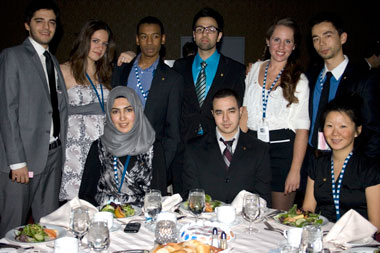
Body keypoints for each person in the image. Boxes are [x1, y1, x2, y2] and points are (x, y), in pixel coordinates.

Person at [0, 0, 68, 236]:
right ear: (27, 25)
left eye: (52, 22)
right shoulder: (12, 56)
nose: (47, 27)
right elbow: (7, 110)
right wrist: (17, 162)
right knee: (14, 226)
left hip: (52, 155)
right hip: (23, 161)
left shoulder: (53, 61)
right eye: (40, 21)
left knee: (48, 225)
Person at [172, 7, 246, 194]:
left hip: (219, 150)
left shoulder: (235, 70)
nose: (205, 33)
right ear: (193, 35)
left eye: (211, 29)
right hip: (183, 151)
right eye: (200, 29)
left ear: (219, 35)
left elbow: (239, 112)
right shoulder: (179, 67)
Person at [240, 18, 309, 211]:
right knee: (250, 210)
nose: (281, 46)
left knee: (279, 217)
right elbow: (244, 111)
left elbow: (302, 129)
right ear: (268, 41)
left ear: (294, 46)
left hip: (283, 153)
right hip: (252, 147)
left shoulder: (300, 80)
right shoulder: (253, 69)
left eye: (288, 41)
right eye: (277, 39)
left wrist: (295, 171)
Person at [111, 16, 183, 194]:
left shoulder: (173, 79)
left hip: (153, 161)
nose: (149, 42)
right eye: (144, 37)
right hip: (120, 156)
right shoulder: (121, 69)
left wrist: (160, 169)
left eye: (155, 36)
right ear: (137, 39)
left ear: (163, 39)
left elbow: (173, 133)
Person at [307, 13, 380, 159]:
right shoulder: (309, 77)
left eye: (327, 36)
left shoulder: (363, 79)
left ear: (343, 38)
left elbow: (374, 130)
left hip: (346, 161)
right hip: (310, 160)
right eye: (316, 38)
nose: (321, 43)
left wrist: (360, 168)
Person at [303, 96, 380, 232]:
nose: (335, 133)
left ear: (358, 130)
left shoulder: (370, 168)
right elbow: (308, 209)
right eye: (329, 126)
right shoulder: (317, 163)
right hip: (320, 236)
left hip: (356, 241)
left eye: (343, 126)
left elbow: (376, 225)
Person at [79, 86, 166, 206]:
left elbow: (159, 195)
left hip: (143, 219)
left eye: (128, 110)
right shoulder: (99, 147)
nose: (122, 117)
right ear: (109, 115)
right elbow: (86, 196)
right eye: (115, 111)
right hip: (105, 217)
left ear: (137, 110)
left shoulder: (153, 147)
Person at [59, 20, 115, 202]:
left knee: (100, 203)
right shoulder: (64, 71)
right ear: (85, 40)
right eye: (95, 41)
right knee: (73, 206)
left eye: (104, 44)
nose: (100, 47)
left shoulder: (107, 73)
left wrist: (130, 55)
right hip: (75, 150)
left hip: (102, 146)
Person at [182, 89, 271, 205]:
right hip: (206, 219)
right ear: (213, 114)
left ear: (240, 111)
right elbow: (191, 195)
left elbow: (263, 198)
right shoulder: (193, 149)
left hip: (246, 220)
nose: (225, 119)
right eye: (219, 112)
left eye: (231, 111)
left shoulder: (259, 149)